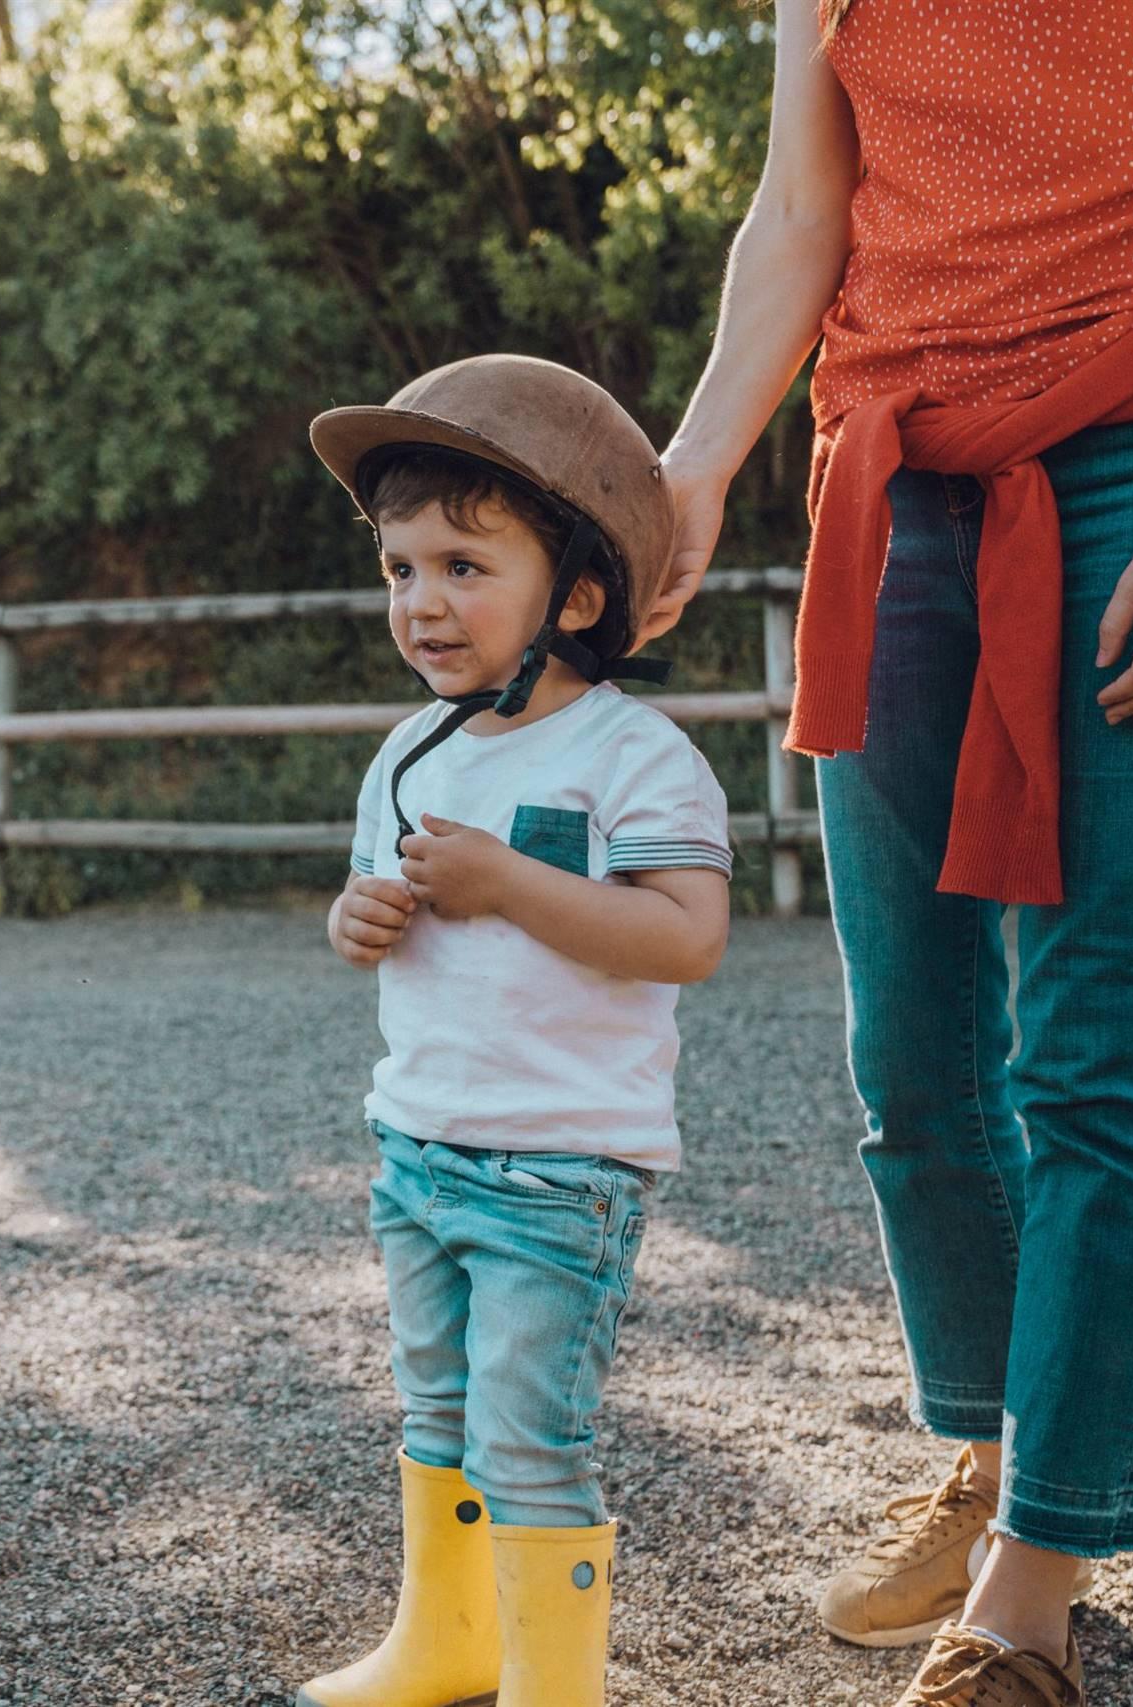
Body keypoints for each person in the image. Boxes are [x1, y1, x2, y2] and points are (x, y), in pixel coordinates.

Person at [650, 1, 1133, 1702]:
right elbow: (801, 206)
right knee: (911, 1043)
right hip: (897, 461)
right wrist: (692, 465)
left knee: (1091, 1045)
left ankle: (1035, 1582)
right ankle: (983, 1459)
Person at [297, 355, 734, 1707]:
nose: (422, 602)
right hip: (418, 1148)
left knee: (530, 1439)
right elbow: (368, 898)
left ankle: (556, 1690)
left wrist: (507, 885)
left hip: (561, 1169)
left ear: (579, 597)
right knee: (436, 1414)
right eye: (400, 570)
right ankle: (448, 1641)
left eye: (463, 567)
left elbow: (688, 937)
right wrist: (358, 919)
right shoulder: (409, 751)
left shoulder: (634, 757)